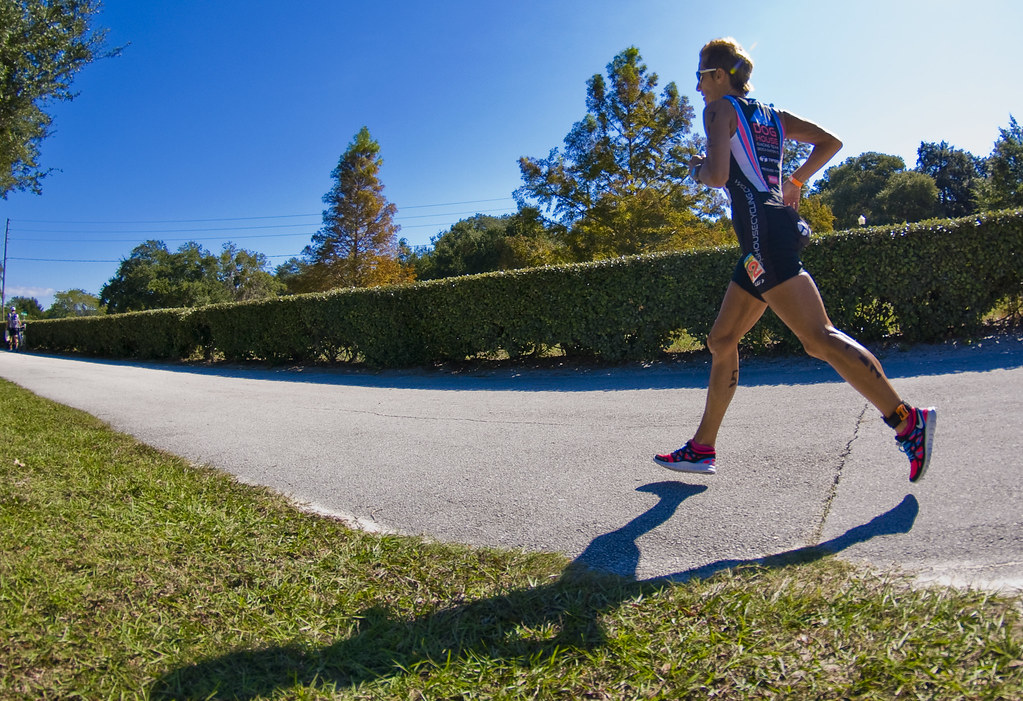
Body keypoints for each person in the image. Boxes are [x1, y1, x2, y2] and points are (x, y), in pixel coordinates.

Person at [654, 38, 936, 482]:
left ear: (719, 76)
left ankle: (906, 420)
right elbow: (830, 142)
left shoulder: (718, 111)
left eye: (700, 77)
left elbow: (718, 175)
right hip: (763, 240)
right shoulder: (772, 116)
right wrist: (795, 182)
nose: (697, 88)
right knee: (722, 339)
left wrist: (696, 168)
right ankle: (702, 448)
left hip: (763, 238)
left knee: (818, 338)